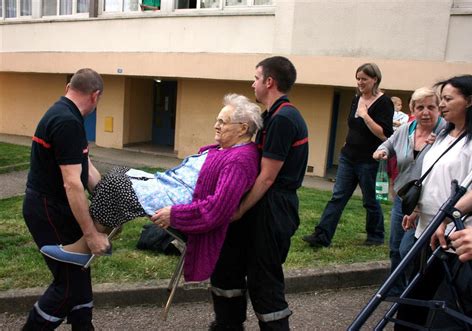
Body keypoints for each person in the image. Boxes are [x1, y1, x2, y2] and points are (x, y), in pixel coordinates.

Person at [41, 93, 262, 282]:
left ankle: (86, 245)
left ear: (242, 128)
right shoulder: (225, 150)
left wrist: (176, 215)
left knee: (118, 186)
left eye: (223, 122)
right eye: (218, 120)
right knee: (118, 173)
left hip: (180, 202)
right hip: (171, 187)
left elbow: (218, 209)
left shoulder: (239, 161)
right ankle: (100, 231)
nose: (216, 125)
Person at [209, 56, 308, 330]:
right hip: (262, 205)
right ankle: (227, 323)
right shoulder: (271, 116)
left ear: (269, 81)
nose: (252, 83)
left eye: (256, 77)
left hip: (274, 207)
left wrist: (239, 210)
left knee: (264, 280)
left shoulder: (284, 119)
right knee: (228, 266)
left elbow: (266, 178)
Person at [22, 68, 110, 330]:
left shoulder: (66, 114)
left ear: (69, 87)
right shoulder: (67, 122)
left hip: (53, 207)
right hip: (49, 210)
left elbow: (86, 166)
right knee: (68, 285)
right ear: (95, 96)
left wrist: (108, 194)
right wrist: (91, 234)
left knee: (79, 277)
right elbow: (72, 183)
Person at [395, 75, 472, 330]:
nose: (441, 105)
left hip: (454, 240)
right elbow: (433, 178)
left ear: (470, 101)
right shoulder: (443, 135)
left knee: (448, 310)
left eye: (448, 99)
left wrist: (448, 216)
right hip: (427, 231)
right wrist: (418, 209)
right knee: (412, 300)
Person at [303, 63, 394, 248]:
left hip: (369, 160)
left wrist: (366, 115)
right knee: (337, 197)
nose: (360, 82)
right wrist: (346, 141)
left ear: (375, 79)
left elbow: (384, 134)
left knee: (370, 200)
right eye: (358, 78)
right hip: (348, 157)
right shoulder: (356, 98)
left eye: (364, 79)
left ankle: (375, 236)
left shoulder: (384, 103)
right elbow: (353, 126)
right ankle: (321, 236)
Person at [373, 87, 445, 296]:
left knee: (408, 249)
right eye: (420, 107)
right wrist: (383, 151)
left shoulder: (445, 133)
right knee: (396, 248)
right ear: (412, 109)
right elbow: (389, 143)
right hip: (404, 199)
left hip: (429, 203)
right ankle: (397, 292)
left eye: (431, 107)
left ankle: (414, 290)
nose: (425, 112)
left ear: (438, 109)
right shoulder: (407, 129)